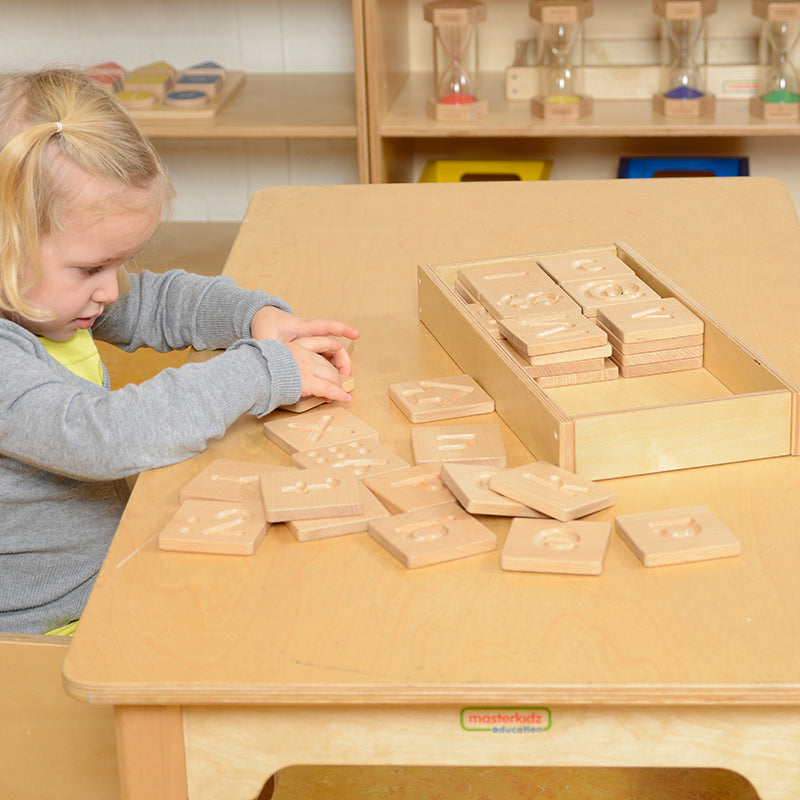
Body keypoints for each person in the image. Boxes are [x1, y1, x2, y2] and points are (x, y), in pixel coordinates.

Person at [0, 68, 359, 635]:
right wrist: (256, 372)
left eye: (119, 263)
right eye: (92, 268)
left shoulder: (45, 297)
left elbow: (161, 300)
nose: (112, 290)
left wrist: (253, 316)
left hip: (108, 568)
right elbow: (107, 436)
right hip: (46, 632)